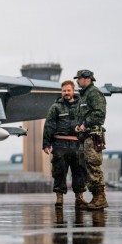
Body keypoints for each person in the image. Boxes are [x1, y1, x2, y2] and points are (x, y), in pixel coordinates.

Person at [43, 80, 87, 208]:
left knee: (79, 172)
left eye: (68, 90)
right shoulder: (55, 107)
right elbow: (49, 126)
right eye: (64, 91)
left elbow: (88, 121)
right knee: (59, 172)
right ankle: (59, 198)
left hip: (77, 145)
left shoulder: (82, 106)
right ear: (61, 92)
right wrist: (46, 144)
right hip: (60, 145)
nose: (66, 93)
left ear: (73, 91)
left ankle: (79, 198)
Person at [73, 69, 108, 210]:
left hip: (92, 136)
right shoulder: (84, 95)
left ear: (88, 79)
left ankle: (100, 198)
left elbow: (99, 114)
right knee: (86, 166)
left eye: (79, 78)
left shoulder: (94, 93)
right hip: (84, 137)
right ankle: (96, 197)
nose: (77, 81)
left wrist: (84, 124)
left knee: (93, 164)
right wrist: (78, 126)